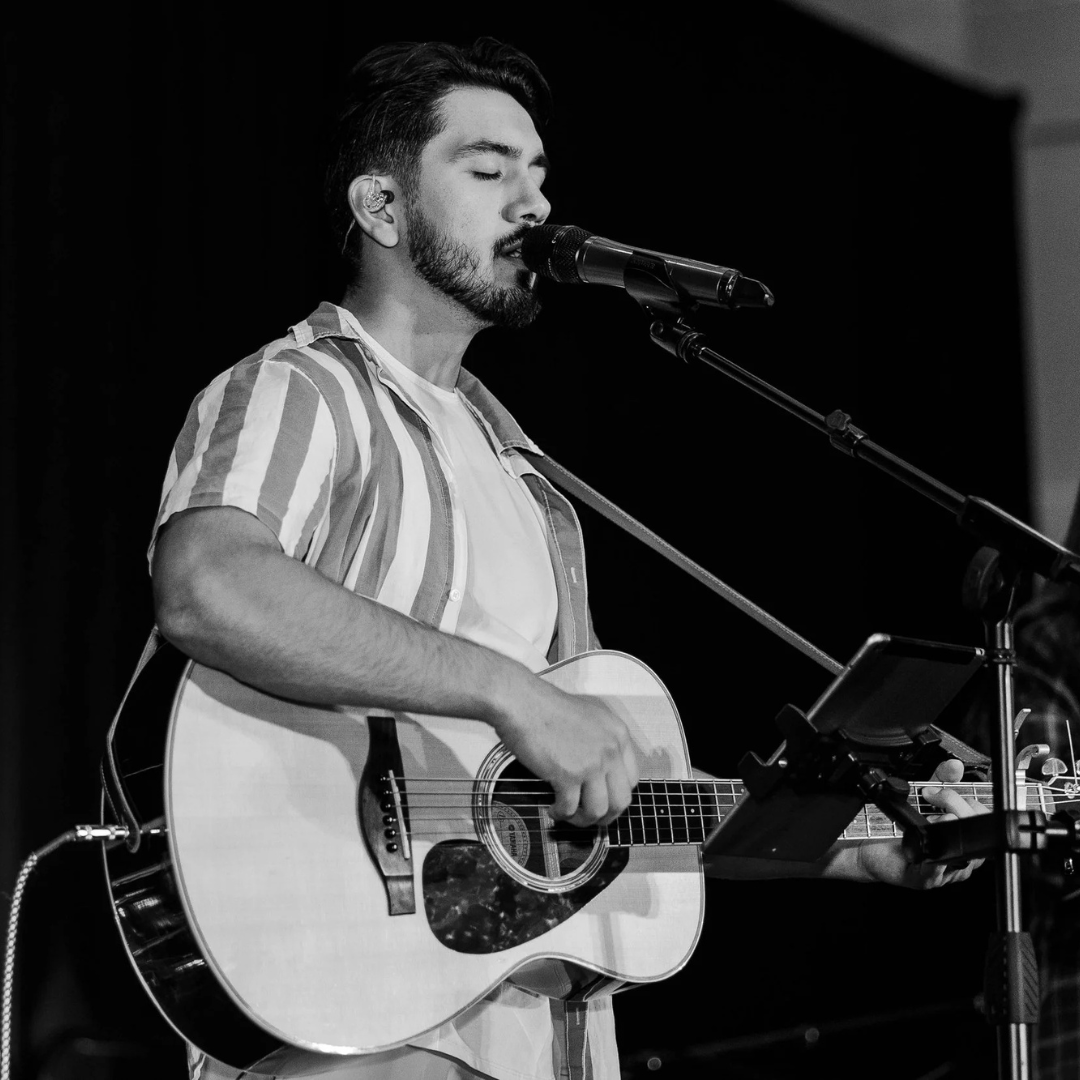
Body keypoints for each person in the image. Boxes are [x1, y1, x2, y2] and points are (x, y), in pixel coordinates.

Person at [149, 38, 986, 1080]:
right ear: (381, 206)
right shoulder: (302, 388)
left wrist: (856, 843)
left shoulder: (526, 477)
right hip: (356, 1020)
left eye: (540, 174)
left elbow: (600, 794)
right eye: (488, 170)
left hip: (539, 1038)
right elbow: (209, 585)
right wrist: (512, 694)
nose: (535, 204)